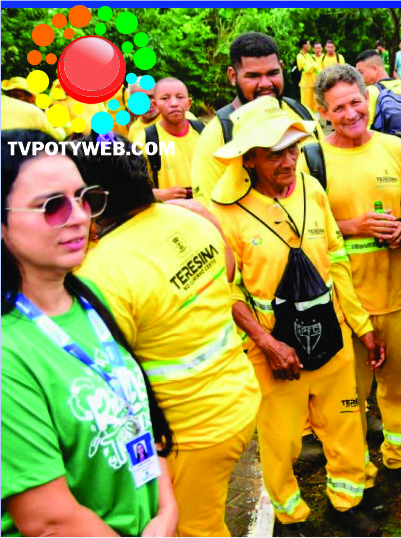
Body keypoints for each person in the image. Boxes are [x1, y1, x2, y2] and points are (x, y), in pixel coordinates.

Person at [209, 96, 382, 536]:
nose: (288, 162)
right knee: (281, 440)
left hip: (331, 335)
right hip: (274, 350)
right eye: (274, 154)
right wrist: (267, 343)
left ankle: (346, 504)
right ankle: (289, 516)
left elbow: (336, 258)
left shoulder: (311, 188)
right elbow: (226, 290)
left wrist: (360, 324)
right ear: (249, 159)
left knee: (346, 420)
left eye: (292, 150)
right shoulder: (225, 213)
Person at [73, 135, 261, 537]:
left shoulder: (98, 273)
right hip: (238, 398)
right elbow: (228, 271)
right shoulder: (191, 218)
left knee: (195, 529)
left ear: (94, 200)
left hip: (192, 432)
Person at [1, 129, 177, 537]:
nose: (80, 216)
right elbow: (48, 521)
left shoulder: (89, 298)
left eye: (83, 198)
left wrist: (166, 511)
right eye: (52, 206)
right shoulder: (8, 353)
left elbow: (140, 417)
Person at [315, 63, 401, 494]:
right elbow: (307, 227)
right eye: (338, 108)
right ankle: (355, 476)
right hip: (346, 305)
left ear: (367, 98)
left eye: (356, 102)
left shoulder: (396, 149)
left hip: (400, 292)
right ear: (323, 112)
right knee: (349, 399)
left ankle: (400, 458)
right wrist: (354, 226)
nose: (350, 113)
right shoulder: (314, 159)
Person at [190, 32, 324, 206]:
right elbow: (209, 213)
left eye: (273, 73)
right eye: (253, 76)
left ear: (281, 67)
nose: (266, 83)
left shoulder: (302, 115)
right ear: (233, 76)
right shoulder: (217, 136)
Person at [131, 77, 202, 202]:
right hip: (165, 210)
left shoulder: (201, 130)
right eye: (165, 98)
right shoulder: (142, 139)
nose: (174, 104)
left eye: (180, 97)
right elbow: (131, 187)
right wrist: (157, 194)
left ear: (189, 103)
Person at [296, 38, 319, 111]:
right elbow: (307, 68)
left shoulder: (309, 56)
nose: (309, 46)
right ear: (304, 45)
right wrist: (313, 66)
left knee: (315, 104)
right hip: (305, 84)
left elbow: (316, 66)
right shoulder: (300, 56)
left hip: (313, 82)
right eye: (308, 44)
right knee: (306, 104)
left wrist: (313, 66)